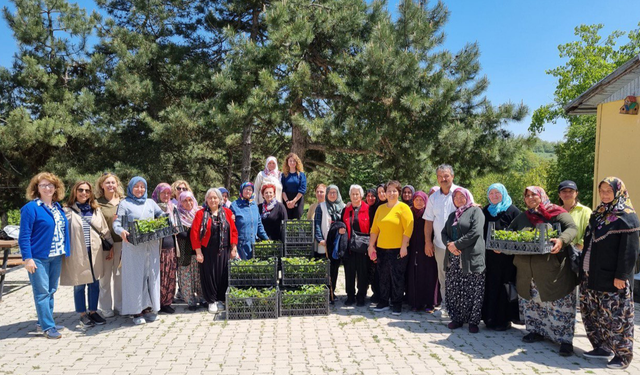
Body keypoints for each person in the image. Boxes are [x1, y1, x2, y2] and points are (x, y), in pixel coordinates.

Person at [509, 186, 578, 356]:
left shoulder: (556, 212)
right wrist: (505, 242)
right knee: (533, 301)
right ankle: (536, 331)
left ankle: (564, 340)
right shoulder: (523, 217)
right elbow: (509, 231)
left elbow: (572, 228)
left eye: (534, 194)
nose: (530, 198)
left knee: (559, 304)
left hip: (553, 269)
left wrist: (561, 240)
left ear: (542, 196)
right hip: (527, 270)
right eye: (527, 195)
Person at [580, 177, 639, 369]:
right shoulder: (598, 214)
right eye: (602, 190)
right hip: (592, 273)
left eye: (609, 191)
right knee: (596, 314)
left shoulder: (627, 217)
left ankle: (622, 356)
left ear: (618, 192)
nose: (605, 194)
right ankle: (602, 347)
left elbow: (630, 251)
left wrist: (621, 275)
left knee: (617, 317)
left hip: (614, 278)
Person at [19, 172, 70, 339]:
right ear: (37, 188)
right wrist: (28, 258)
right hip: (38, 258)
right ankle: (48, 327)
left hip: (56, 255)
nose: (47, 188)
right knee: (42, 292)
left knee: (51, 290)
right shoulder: (30, 208)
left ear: (56, 188)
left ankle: (44, 322)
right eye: (43, 185)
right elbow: (24, 236)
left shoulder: (57, 207)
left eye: (51, 185)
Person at [113, 177, 166, 325]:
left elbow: (161, 215)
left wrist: (166, 220)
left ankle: (148, 308)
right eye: (136, 186)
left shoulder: (150, 202)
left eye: (142, 186)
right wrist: (121, 231)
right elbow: (117, 223)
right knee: (135, 278)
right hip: (133, 246)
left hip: (151, 246)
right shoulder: (125, 204)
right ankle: (136, 311)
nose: (140, 189)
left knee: (150, 276)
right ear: (130, 188)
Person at [61, 181, 112, 327]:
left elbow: (104, 229)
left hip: (94, 252)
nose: (84, 193)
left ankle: (93, 312)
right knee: (79, 284)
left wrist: (111, 247)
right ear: (75, 192)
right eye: (81, 190)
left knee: (95, 283)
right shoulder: (67, 211)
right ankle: (82, 314)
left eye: (87, 191)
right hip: (78, 253)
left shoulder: (95, 209)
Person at [441, 187, 486, 333]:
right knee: (454, 288)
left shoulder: (476, 211)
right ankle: (457, 318)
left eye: (462, 196)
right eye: (456, 197)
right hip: (453, 257)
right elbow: (443, 233)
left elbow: (476, 232)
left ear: (468, 197)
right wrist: (449, 244)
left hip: (471, 257)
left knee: (474, 289)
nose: (459, 199)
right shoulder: (452, 215)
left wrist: (457, 244)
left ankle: (473, 321)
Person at [369, 180, 414, 315]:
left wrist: (404, 246)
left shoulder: (403, 208)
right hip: (382, 248)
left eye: (394, 191)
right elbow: (374, 229)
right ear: (385, 193)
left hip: (398, 249)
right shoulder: (380, 209)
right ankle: (383, 301)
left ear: (399, 193)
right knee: (383, 276)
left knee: (397, 277)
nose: (391, 193)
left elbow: (409, 228)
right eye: (389, 190)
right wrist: (371, 245)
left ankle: (397, 303)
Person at [192, 188, 239, 314]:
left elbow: (233, 231)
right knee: (209, 276)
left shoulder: (228, 213)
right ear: (206, 200)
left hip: (224, 250)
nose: (213, 200)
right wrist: (198, 252)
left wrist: (233, 247)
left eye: (215, 197)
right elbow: (195, 234)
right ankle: (211, 301)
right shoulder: (200, 214)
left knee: (222, 275)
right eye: (210, 198)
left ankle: (220, 299)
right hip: (207, 251)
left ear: (220, 199)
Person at [481, 183, 521, 331]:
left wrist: (504, 247)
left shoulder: (513, 211)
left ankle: (504, 320)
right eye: (491, 193)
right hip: (489, 258)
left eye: (498, 193)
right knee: (490, 286)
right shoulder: (486, 211)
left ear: (503, 193)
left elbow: (520, 234)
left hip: (506, 259)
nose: (494, 196)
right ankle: (489, 318)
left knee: (505, 287)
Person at [423, 164, 460, 318]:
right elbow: (429, 221)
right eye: (440, 176)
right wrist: (428, 242)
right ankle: (447, 306)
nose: (443, 179)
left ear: (452, 176)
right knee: (444, 277)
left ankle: (460, 308)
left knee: (459, 277)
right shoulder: (433, 197)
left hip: (459, 246)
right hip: (439, 245)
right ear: (437, 179)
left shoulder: (461, 193)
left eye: (446, 176)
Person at [95, 172, 124, 318]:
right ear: (102, 185)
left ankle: (120, 306)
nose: (111, 185)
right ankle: (106, 308)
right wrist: (109, 244)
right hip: (105, 245)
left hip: (123, 244)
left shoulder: (124, 201)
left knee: (119, 278)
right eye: (107, 183)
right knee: (105, 278)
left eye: (113, 182)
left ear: (117, 184)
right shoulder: (97, 203)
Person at [406, 191, 440, 313]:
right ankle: (416, 302)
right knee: (415, 275)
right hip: (413, 248)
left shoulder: (429, 213)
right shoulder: (409, 213)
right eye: (417, 200)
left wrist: (429, 243)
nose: (419, 202)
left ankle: (430, 303)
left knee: (429, 275)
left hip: (427, 247)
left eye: (421, 200)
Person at [315, 185, 346, 302]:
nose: (332, 195)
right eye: (330, 193)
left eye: (334, 192)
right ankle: (325, 292)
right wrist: (320, 239)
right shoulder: (321, 207)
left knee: (335, 268)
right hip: (325, 242)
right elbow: (317, 224)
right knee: (325, 269)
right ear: (327, 194)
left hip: (337, 243)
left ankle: (333, 291)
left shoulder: (342, 207)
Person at [341, 185, 370, 307]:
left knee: (362, 272)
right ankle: (350, 295)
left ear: (361, 195)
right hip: (349, 246)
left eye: (357, 194)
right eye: (353, 194)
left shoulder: (368, 209)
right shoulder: (346, 209)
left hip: (363, 246)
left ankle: (361, 295)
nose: (355, 196)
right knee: (349, 272)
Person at [151, 183, 178, 314]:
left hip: (171, 246)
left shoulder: (173, 207)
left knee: (170, 275)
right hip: (158, 248)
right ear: (157, 194)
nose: (166, 196)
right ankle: (156, 303)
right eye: (163, 193)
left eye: (168, 193)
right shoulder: (152, 208)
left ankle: (167, 302)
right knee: (159, 276)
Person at [175, 191, 203, 311]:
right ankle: (190, 301)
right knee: (186, 278)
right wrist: (196, 232)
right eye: (185, 200)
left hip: (199, 252)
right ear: (180, 202)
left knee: (199, 278)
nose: (188, 203)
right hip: (184, 252)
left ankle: (202, 298)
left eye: (190, 200)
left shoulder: (199, 214)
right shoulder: (177, 215)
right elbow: (182, 234)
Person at [231, 182, 269, 259]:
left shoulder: (254, 205)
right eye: (246, 189)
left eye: (250, 190)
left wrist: (267, 239)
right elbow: (231, 227)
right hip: (240, 244)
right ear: (241, 191)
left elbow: (259, 224)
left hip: (253, 243)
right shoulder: (234, 205)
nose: (248, 191)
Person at [558, 180, 592, 250]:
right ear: (559, 194)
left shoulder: (585, 211)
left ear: (576, 193)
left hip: (579, 253)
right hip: (559, 254)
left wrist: (578, 247)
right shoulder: (556, 212)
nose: (567, 194)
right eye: (564, 191)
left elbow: (589, 232)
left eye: (571, 191)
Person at [281, 153, 307, 219]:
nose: (292, 162)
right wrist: (287, 202)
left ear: (297, 162)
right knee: (286, 220)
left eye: (294, 161)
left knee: (297, 219)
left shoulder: (301, 175)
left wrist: (294, 201)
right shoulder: (283, 175)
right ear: (287, 162)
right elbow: (282, 189)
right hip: (286, 200)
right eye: (290, 161)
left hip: (298, 199)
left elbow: (302, 189)